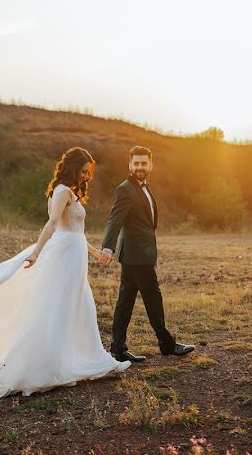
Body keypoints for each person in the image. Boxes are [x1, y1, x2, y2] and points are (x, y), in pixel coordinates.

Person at [0, 147, 130, 397]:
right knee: (56, 308)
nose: (86, 177)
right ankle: (42, 365)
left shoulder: (70, 192)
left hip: (74, 255)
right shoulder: (61, 192)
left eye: (88, 172)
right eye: (83, 171)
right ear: (72, 167)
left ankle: (81, 359)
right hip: (63, 257)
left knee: (77, 307)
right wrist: (36, 253)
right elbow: (52, 225)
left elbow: (76, 234)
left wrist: (96, 253)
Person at [99, 145, 195, 362]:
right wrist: (108, 246)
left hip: (138, 255)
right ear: (130, 165)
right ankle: (167, 344)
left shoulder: (144, 188)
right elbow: (115, 220)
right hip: (137, 256)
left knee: (126, 301)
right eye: (136, 163)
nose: (140, 167)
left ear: (150, 165)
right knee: (153, 298)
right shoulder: (125, 189)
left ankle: (118, 348)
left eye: (144, 163)